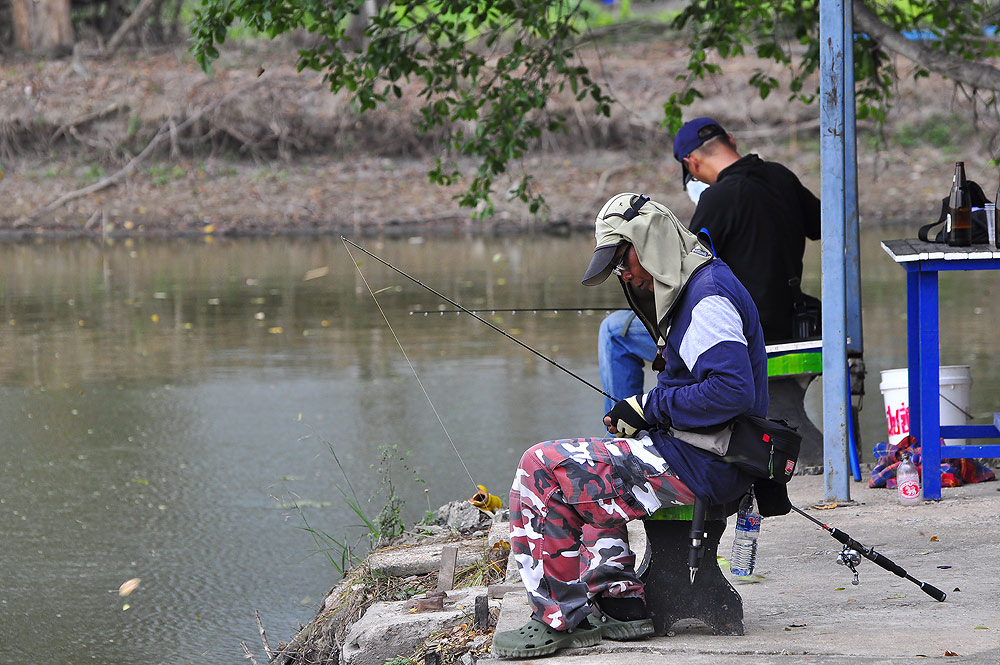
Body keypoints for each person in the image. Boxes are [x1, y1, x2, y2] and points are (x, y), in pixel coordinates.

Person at [492, 193, 769, 659]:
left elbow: (732, 391)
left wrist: (650, 406)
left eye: (622, 260)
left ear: (651, 243)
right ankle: (621, 605)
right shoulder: (697, 283)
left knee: (540, 465)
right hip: (696, 453)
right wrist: (642, 413)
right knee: (587, 465)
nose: (623, 274)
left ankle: (558, 619)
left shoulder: (707, 297)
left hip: (707, 462)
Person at [596, 117, 820, 410]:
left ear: (692, 164)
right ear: (731, 140)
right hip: (794, 321)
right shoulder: (782, 177)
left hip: (738, 329)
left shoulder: (718, 199)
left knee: (615, 332)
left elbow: (684, 273)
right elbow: (819, 226)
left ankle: (625, 433)